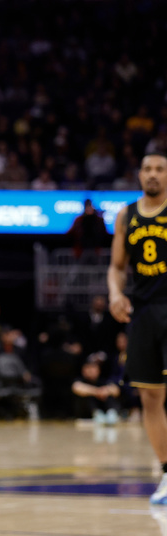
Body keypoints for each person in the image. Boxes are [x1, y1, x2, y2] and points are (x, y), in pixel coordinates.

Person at [108, 152, 167, 505]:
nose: (153, 175)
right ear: (139, 174)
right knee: (150, 397)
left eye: (160, 169)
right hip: (143, 312)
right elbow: (117, 266)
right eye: (147, 169)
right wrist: (115, 292)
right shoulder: (126, 215)